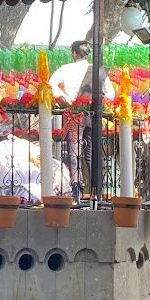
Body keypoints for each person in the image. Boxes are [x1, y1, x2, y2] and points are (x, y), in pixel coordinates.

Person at [49, 41, 116, 203]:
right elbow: (111, 94)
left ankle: (76, 189)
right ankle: (96, 190)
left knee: (74, 151)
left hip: (74, 113)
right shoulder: (98, 70)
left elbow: (50, 85)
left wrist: (65, 98)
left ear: (74, 53)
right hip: (93, 115)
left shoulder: (66, 69)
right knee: (92, 152)